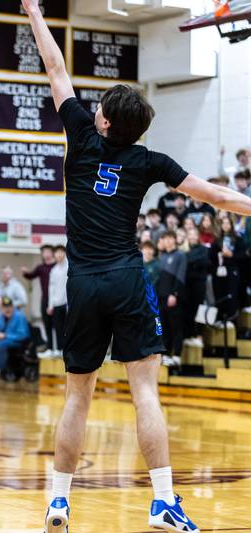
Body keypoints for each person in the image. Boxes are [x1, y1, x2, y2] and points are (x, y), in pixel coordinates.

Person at [23, 0, 251, 530]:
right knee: (144, 389)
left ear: (102, 119)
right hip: (127, 278)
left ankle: (59, 500)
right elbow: (215, 194)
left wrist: (34, 9)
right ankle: (163, 501)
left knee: (77, 396)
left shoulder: (80, 135)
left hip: (81, 283)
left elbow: (55, 66)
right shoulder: (150, 161)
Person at [157, 231, 187, 362]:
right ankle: (166, 354)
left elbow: (181, 276)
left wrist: (174, 294)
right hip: (160, 297)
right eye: (165, 238)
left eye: (170, 238)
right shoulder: (161, 257)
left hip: (173, 297)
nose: (168, 241)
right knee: (163, 327)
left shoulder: (180, 255)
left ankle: (177, 355)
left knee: (176, 326)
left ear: (175, 240)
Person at [0, 296, 30, 381]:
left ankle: (1, 369)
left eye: (9, 307)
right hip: (5, 339)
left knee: (1, 344)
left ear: (12, 307)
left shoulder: (19, 316)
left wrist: (5, 335)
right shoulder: (2, 316)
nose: (7, 309)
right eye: (5, 307)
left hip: (17, 342)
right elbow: (1, 329)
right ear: (2, 308)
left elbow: (23, 335)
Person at [210, 215, 246, 322]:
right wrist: (219, 255)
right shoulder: (217, 240)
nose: (226, 225)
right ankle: (221, 319)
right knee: (220, 295)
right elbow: (210, 256)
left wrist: (232, 255)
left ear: (231, 225)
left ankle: (232, 322)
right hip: (219, 271)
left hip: (233, 270)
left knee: (232, 295)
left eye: (228, 223)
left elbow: (244, 255)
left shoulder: (238, 239)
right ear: (221, 225)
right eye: (223, 223)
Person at [22, 245, 55, 349]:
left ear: (52, 253)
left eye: (47, 251)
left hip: (58, 300)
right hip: (45, 299)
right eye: (43, 252)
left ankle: (59, 347)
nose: (45, 254)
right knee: (47, 324)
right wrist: (25, 273)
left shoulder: (57, 267)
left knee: (58, 325)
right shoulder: (41, 268)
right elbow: (31, 276)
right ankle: (50, 347)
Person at [183, 228, 210, 346]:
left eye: (195, 234)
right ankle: (188, 334)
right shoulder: (184, 250)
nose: (193, 236)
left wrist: (190, 259)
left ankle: (199, 335)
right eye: (191, 234)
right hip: (187, 283)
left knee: (199, 309)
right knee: (188, 309)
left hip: (199, 283)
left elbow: (205, 262)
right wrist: (193, 261)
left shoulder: (204, 249)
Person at [47, 245, 68, 356]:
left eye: (61, 252)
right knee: (58, 328)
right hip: (56, 303)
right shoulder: (53, 270)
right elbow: (51, 288)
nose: (59, 254)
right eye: (57, 252)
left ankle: (67, 349)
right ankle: (59, 349)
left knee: (67, 328)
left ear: (64, 253)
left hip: (67, 304)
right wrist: (50, 305)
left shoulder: (69, 267)